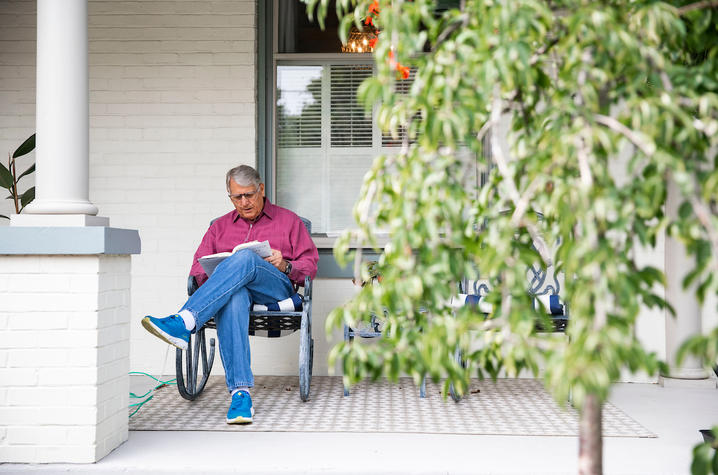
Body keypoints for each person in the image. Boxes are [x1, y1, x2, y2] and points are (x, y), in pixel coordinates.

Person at [142, 165, 318, 424]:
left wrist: (286, 265)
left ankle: (185, 321)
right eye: (237, 197)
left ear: (261, 190)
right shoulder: (219, 227)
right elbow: (196, 271)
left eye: (249, 195)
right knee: (234, 297)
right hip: (235, 296)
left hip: (275, 290)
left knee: (245, 257)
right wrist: (223, 273)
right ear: (230, 195)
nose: (244, 202)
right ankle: (240, 394)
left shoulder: (289, 221)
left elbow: (310, 266)